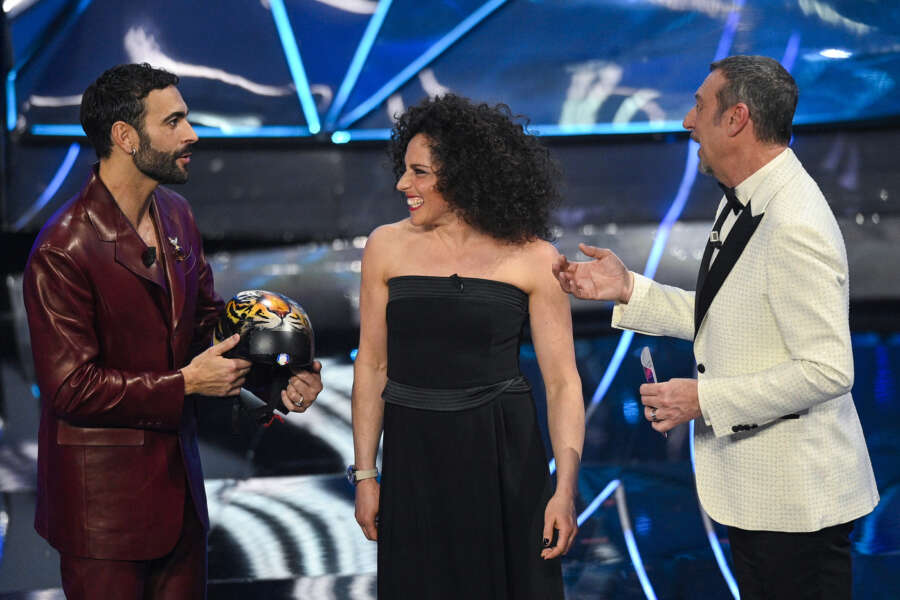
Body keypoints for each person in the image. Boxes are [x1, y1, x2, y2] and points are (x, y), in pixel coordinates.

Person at [553, 55, 879, 599]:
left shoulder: (795, 223)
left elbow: (827, 369)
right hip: (765, 500)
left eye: (699, 106)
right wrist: (629, 289)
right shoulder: (750, 199)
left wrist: (705, 399)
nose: (686, 121)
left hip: (797, 504)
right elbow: (729, 316)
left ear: (737, 119)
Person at [22, 63, 323, 599]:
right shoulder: (61, 249)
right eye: (175, 121)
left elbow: (205, 325)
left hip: (179, 498)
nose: (193, 134)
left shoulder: (177, 215)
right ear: (125, 136)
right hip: (104, 517)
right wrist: (183, 384)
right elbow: (71, 388)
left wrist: (280, 376)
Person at [350, 94, 584, 599]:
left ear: (462, 176)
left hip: (504, 457)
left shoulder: (534, 257)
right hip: (415, 455)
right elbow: (372, 365)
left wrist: (564, 489)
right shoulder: (385, 246)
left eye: (419, 173)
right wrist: (366, 474)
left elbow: (563, 382)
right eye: (403, 170)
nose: (402, 185)